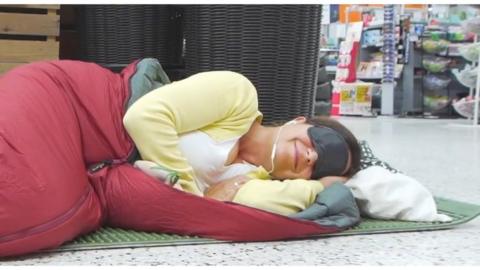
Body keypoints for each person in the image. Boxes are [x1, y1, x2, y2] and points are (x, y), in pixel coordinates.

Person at [124, 70, 361, 215]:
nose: (313, 156)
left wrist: (324, 186)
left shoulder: (252, 181)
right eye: (322, 142)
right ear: (299, 120)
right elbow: (144, 116)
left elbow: (259, 202)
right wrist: (196, 200)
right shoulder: (238, 95)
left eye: (321, 169)